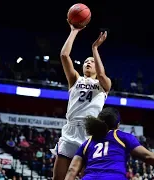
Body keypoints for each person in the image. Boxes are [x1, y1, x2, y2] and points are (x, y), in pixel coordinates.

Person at [51, 20, 112, 180]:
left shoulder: (103, 84)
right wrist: (74, 31)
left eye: (91, 61)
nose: (88, 63)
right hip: (70, 130)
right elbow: (64, 55)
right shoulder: (75, 80)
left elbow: (101, 74)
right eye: (86, 61)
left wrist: (95, 49)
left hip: (89, 133)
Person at [64, 107, 154, 180]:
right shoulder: (121, 136)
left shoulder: (87, 143)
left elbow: (72, 170)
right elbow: (150, 157)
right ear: (118, 124)